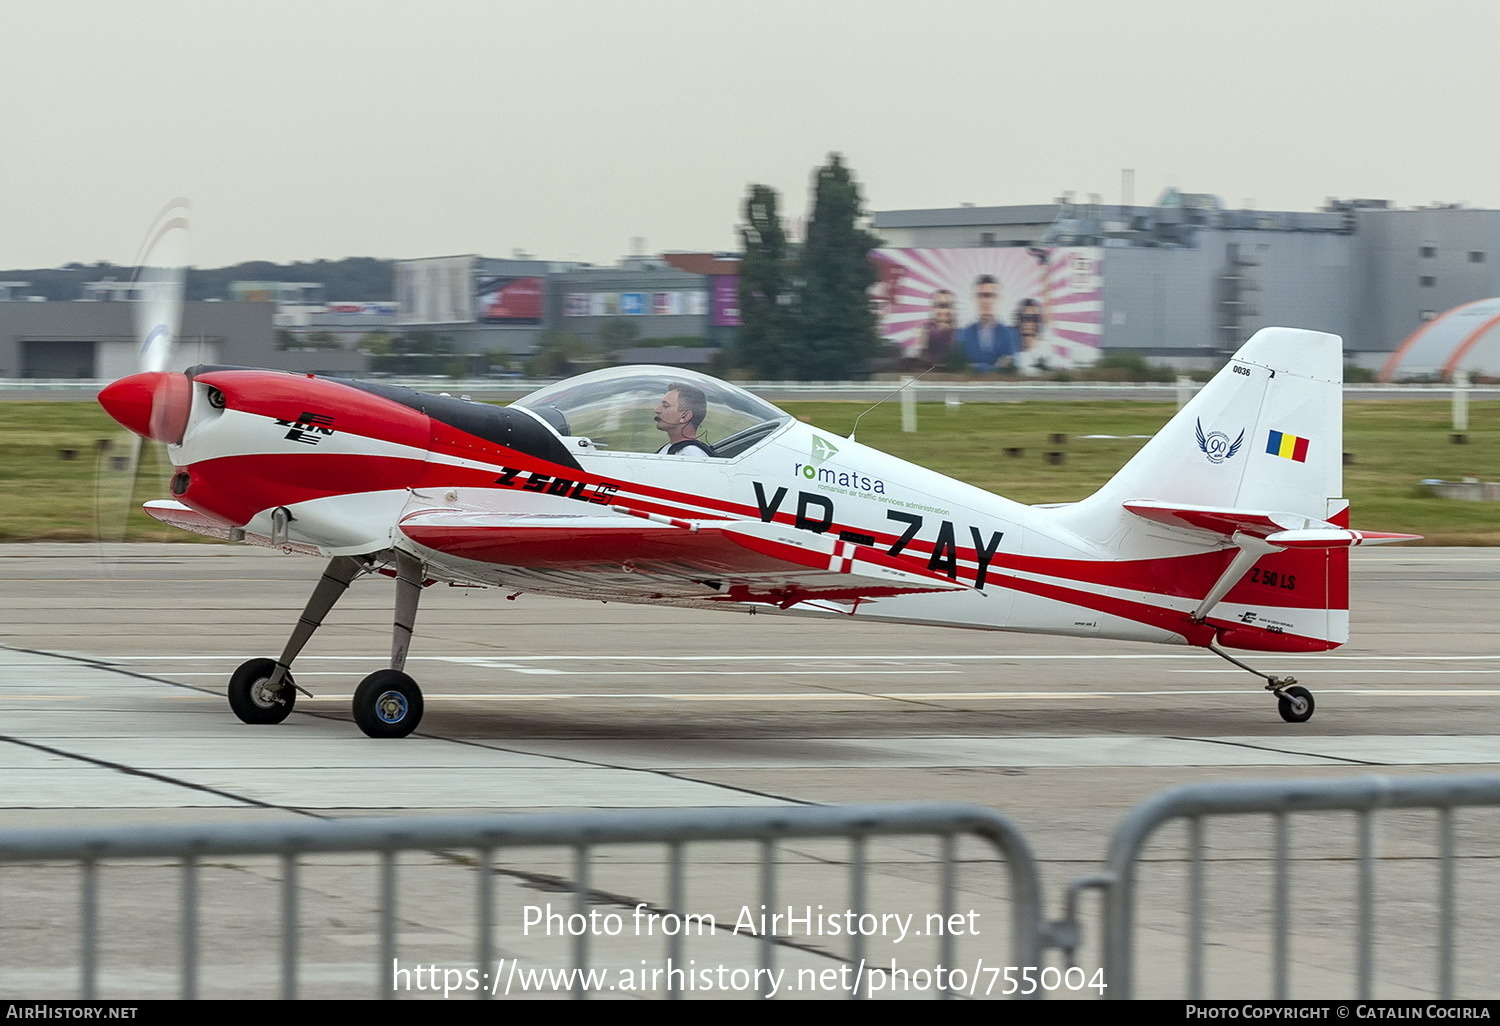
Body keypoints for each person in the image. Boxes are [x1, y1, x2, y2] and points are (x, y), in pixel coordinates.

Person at [957, 275, 1018, 372]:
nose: (985, 301)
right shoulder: (964, 334)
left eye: (990, 295)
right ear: (974, 299)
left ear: (998, 298)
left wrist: (976, 368)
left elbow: (1009, 366)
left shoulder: (1009, 334)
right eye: (981, 295)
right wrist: (995, 367)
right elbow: (960, 366)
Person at [653, 383, 716, 457]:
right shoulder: (670, 448)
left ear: (685, 416)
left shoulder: (691, 454)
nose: (657, 410)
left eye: (665, 405)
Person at [913, 288, 957, 368]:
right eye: (941, 306)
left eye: (950, 306)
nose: (945, 310)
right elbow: (920, 360)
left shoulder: (961, 334)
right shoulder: (924, 331)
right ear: (933, 308)